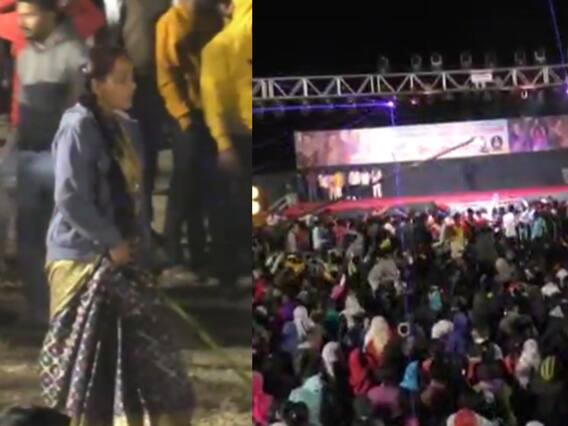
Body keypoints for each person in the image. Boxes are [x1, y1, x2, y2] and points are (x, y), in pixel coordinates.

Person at [39, 46, 194, 424]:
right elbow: (70, 197)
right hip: (82, 258)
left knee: (151, 361)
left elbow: (137, 198)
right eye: (121, 79)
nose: (132, 86)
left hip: (126, 258)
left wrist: (142, 250)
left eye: (132, 78)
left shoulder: (128, 129)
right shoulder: (77, 127)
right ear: (97, 84)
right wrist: (109, 240)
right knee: (94, 371)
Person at [15, 0, 88, 326]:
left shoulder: (75, 54)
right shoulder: (25, 57)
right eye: (20, 15)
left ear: (50, 15)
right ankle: (38, 308)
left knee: (63, 240)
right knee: (28, 237)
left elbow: (80, 112)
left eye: (30, 14)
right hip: (29, 157)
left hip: (60, 160)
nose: (23, 22)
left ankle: (65, 309)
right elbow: (22, 109)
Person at [156, 0, 225, 274]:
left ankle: (200, 255)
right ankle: (173, 252)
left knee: (205, 187)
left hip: (209, 112)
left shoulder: (212, 17)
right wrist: (183, 115)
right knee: (184, 187)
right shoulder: (170, 22)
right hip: (187, 116)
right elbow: (166, 75)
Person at [201, 0, 252, 292]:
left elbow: (213, 101)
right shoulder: (225, 44)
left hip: (235, 136)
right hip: (244, 134)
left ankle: (228, 276)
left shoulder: (219, 46)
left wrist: (223, 143)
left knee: (227, 209)